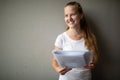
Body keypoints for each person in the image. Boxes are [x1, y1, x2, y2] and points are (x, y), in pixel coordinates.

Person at [52, 1, 98, 80]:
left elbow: (94, 59)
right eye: (66, 15)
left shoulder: (90, 37)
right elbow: (54, 61)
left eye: (72, 14)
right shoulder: (61, 38)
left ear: (81, 15)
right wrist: (57, 69)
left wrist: (92, 64)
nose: (69, 18)